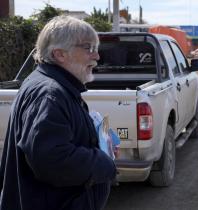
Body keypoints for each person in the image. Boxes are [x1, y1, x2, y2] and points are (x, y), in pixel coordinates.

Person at [0, 15, 116, 210]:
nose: (96, 57)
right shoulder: (49, 94)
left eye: (96, 49)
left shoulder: (58, 88)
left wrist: (100, 144)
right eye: (89, 48)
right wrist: (103, 162)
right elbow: (52, 159)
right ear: (60, 54)